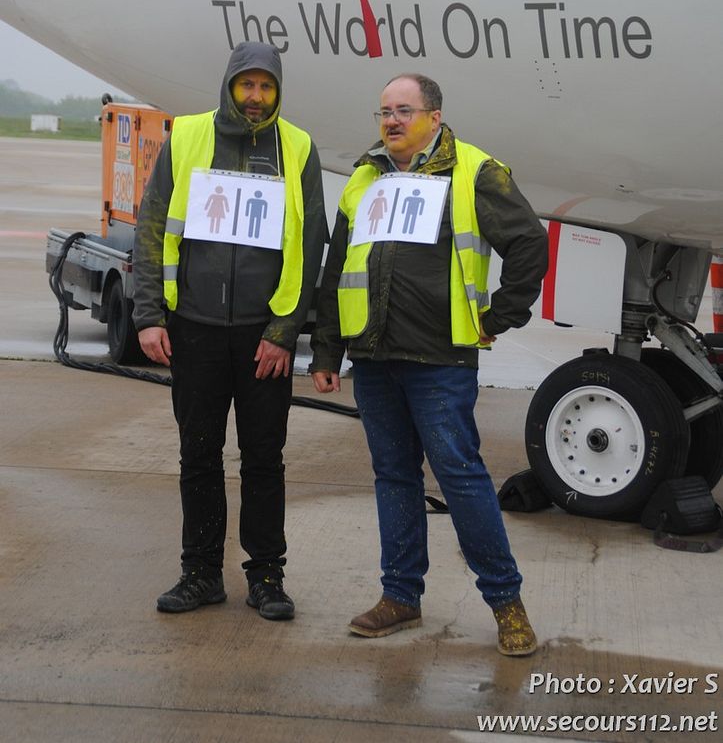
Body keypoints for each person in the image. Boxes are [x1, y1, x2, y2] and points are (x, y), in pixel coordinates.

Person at [311, 73, 548, 656]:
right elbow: (338, 266)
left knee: (462, 479)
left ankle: (506, 604)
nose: (392, 121)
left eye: (405, 111)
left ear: (434, 117)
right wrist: (326, 349)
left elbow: (529, 243)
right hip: (373, 357)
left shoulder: (473, 170)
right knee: (393, 477)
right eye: (384, 112)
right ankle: (400, 597)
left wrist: (499, 316)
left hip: (439, 362)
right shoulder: (363, 179)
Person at [133, 41, 325, 620]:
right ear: (230, 85)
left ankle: (267, 576)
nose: (256, 97)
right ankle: (200, 574)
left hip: (264, 337)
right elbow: (150, 227)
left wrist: (285, 331)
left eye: (266, 87)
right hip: (194, 327)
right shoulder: (187, 137)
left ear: (278, 92)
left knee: (265, 458)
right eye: (248, 85)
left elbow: (308, 242)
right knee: (199, 455)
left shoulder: (297, 147)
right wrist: (147, 315)